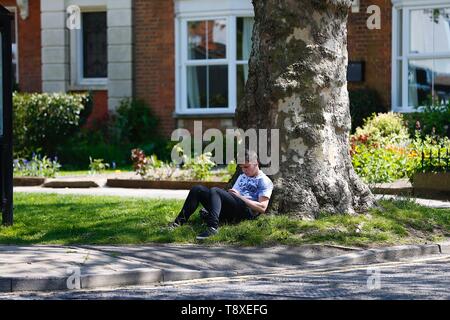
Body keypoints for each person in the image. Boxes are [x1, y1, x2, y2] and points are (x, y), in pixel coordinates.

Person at [169, 150, 274, 240]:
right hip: (231, 208)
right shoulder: (242, 176)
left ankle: (212, 227)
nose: (244, 170)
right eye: (241, 167)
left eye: (246, 167)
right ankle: (178, 223)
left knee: (215, 190)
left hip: (245, 211)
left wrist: (240, 197)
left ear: (256, 163)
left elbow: (262, 207)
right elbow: (232, 195)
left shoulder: (264, 181)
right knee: (198, 189)